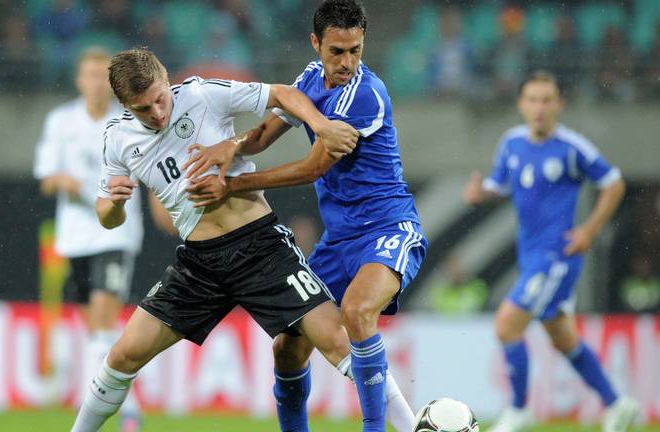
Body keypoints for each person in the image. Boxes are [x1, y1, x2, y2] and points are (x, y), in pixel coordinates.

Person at [70, 47, 363, 431]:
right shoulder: (118, 139)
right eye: (143, 109)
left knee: (338, 342)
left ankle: (411, 422)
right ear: (125, 105)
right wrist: (116, 205)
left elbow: (283, 94)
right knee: (123, 354)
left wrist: (321, 126)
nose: (158, 113)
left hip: (261, 247)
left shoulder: (202, 93)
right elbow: (106, 215)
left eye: (160, 98)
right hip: (200, 263)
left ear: (166, 79)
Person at [184, 2, 424, 431]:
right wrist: (233, 146)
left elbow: (312, 168)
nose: (347, 62)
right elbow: (262, 135)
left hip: (388, 228)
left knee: (356, 312)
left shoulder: (363, 95)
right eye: (337, 51)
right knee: (287, 348)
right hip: (338, 240)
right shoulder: (310, 79)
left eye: (355, 50)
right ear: (316, 44)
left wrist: (234, 185)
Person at [462, 71, 638, 432]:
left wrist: (589, 229)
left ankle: (519, 409)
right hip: (530, 256)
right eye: (533, 100)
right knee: (562, 336)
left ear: (558, 104)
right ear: (521, 104)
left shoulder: (572, 148)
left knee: (507, 324)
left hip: (557, 257)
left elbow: (614, 183)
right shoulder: (511, 143)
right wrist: (481, 193)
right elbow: (499, 185)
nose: (539, 107)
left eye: (546, 100)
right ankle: (618, 404)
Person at [33, 47, 146, 432]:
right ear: (80, 80)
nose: (97, 83)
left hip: (115, 233)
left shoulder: (129, 122)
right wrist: (71, 183)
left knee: (103, 318)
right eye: (91, 75)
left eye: (103, 76)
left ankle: (123, 414)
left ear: (113, 84)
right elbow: (47, 177)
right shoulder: (61, 121)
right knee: (95, 328)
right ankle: (129, 403)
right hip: (74, 238)